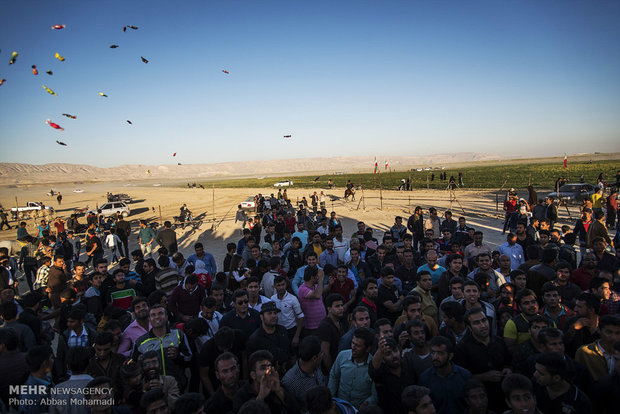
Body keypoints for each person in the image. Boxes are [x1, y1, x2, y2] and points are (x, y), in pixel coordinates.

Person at [455, 307, 511, 412]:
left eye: (484, 320)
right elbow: (461, 378)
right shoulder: (462, 348)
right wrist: (483, 377)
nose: (483, 325)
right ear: (470, 328)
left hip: (502, 397)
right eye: (476, 323)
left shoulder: (498, 342)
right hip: (480, 403)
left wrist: (507, 369)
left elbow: (508, 363)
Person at [132, 304, 192, 391]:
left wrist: (177, 356)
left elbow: (189, 359)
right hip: (153, 389)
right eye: (153, 315)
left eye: (160, 313)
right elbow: (134, 367)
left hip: (177, 386)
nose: (157, 317)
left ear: (167, 317)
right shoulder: (140, 342)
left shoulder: (178, 334)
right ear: (149, 319)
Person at [232, 350, 300, 414]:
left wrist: (279, 391)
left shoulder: (279, 387)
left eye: (269, 367)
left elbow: (296, 411)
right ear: (253, 375)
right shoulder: (241, 396)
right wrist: (260, 397)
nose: (268, 372)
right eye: (263, 368)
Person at [419, 336, 472, 414]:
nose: (435, 357)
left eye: (440, 353)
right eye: (433, 353)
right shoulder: (425, 378)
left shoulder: (465, 375)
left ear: (450, 356)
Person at [328, 328, 377, 408]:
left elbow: (375, 394)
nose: (353, 347)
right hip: (340, 406)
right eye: (352, 343)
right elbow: (334, 376)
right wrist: (331, 398)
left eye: (358, 346)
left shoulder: (373, 366)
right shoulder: (342, 356)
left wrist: (366, 403)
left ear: (367, 348)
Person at [282, 336, 328, 412]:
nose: (323, 355)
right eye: (321, 353)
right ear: (314, 358)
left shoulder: (317, 366)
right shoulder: (290, 382)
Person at [575, 314, 620, 381]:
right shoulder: (585, 352)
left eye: (617, 333)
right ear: (598, 330)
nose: (613, 337)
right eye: (609, 332)